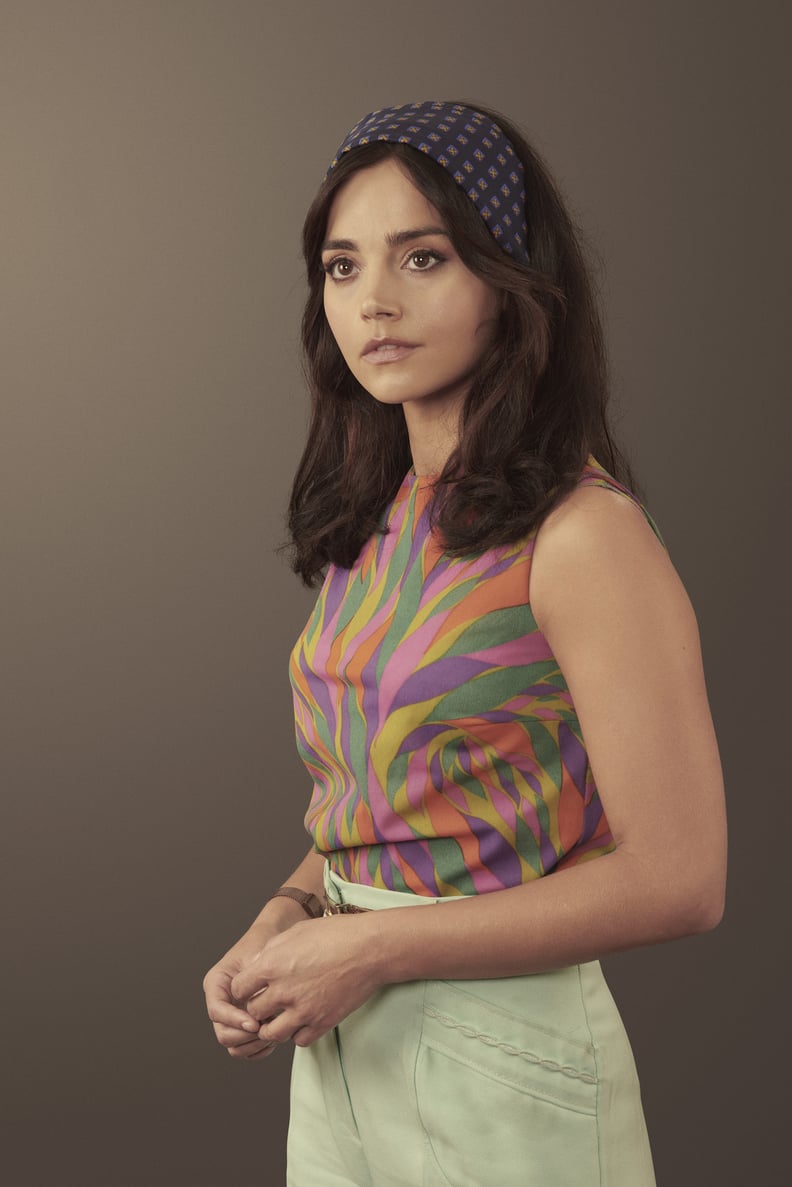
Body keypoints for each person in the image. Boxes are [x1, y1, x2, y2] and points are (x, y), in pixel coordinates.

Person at [203, 101, 726, 1187]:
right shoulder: (377, 521)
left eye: (424, 257)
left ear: (511, 278)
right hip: (348, 1041)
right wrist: (290, 911)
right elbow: (397, 815)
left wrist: (373, 947)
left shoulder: (584, 537)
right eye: (342, 268)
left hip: (503, 1053)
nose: (374, 302)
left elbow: (683, 877)